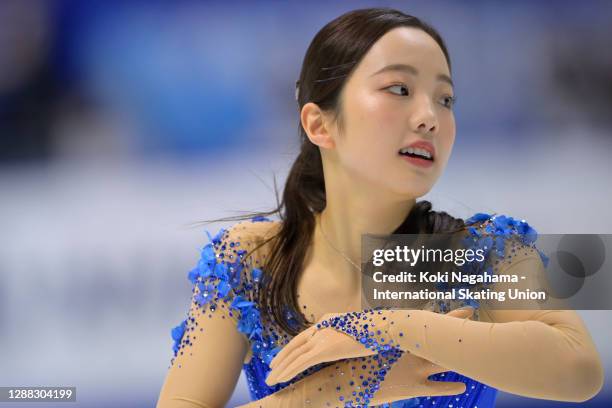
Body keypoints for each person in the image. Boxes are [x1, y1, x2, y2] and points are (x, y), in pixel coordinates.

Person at [156, 7, 604, 408]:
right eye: (399, 88)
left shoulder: (480, 252)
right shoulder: (249, 261)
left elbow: (579, 370)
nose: (430, 115)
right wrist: (341, 389)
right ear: (319, 123)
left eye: (445, 99)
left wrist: (388, 327)